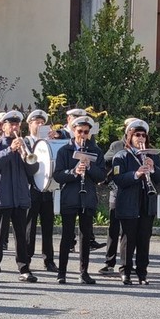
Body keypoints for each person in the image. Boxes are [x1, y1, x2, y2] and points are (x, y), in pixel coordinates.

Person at [111, 119, 160, 286]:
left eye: (143, 135)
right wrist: (136, 174)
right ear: (130, 136)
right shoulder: (121, 156)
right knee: (128, 238)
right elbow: (118, 178)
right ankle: (125, 272)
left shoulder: (152, 155)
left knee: (144, 238)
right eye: (137, 135)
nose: (140, 138)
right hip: (128, 202)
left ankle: (142, 273)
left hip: (146, 202)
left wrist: (153, 169)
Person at [0, 110, 39, 283]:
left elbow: (33, 170)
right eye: (11, 124)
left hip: (21, 197)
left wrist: (25, 155)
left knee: (21, 236)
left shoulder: (25, 146)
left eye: (17, 124)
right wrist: (10, 150)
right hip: (2, 197)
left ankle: (24, 268)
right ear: (3, 126)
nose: (15, 127)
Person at [53, 115, 105, 284]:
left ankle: (84, 272)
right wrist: (74, 172)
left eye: (86, 132)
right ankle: (62, 272)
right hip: (70, 197)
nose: (83, 135)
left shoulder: (95, 151)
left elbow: (101, 176)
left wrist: (90, 166)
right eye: (80, 131)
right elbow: (58, 175)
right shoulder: (64, 150)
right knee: (67, 236)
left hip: (87, 197)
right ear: (74, 131)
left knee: (85, 237)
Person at [24, 109, 57, 272]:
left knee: (48, 226)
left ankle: (48, 259)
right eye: (37, 122)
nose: (40, 125)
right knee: (29, 226)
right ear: (30, 124)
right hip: (31, 188)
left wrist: (53, 140)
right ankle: (27, 258)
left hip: (47, 188)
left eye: (42, 122)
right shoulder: (26, 142)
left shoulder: (49, 142)